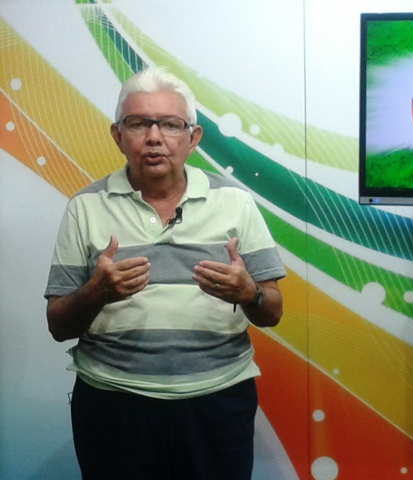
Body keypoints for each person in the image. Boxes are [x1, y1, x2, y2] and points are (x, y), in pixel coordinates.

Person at [44, 67, 286, 480]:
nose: (154, 137)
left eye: (171, 124)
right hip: (114, 405)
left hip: (218, 401)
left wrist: (249, 294)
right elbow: (58, 326)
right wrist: (96, 293)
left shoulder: (235, 202)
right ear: (118, 136)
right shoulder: (85, 207)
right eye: (138, 123)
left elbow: (273, 312)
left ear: (193, 137)